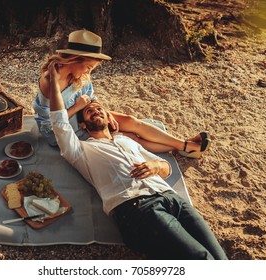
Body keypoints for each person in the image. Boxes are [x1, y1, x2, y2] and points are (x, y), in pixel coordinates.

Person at [48, 61, 228, 260]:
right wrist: (55, 83)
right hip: (137, 208)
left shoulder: (126, 140)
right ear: (83, 125)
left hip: (174, 200)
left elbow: (166, 168)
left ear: (109, 119)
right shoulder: (80, 150)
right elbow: (59, 121)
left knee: (220, 258)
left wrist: (156, 165)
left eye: (99, 109)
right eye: (90, 112)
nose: (96, 111)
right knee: (201, 258)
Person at [34, 29, 211, 158]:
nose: (89, 72)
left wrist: (105, 112)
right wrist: (76, 107)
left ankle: (184, 145)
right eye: (88, 67)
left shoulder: (81, 73)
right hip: (64, 130)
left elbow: (91, 97)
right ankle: (185, 148)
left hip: (84, 113)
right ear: (75, 59)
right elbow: (53, 126)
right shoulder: (50, 81)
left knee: (130, 121)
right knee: (127, 137)